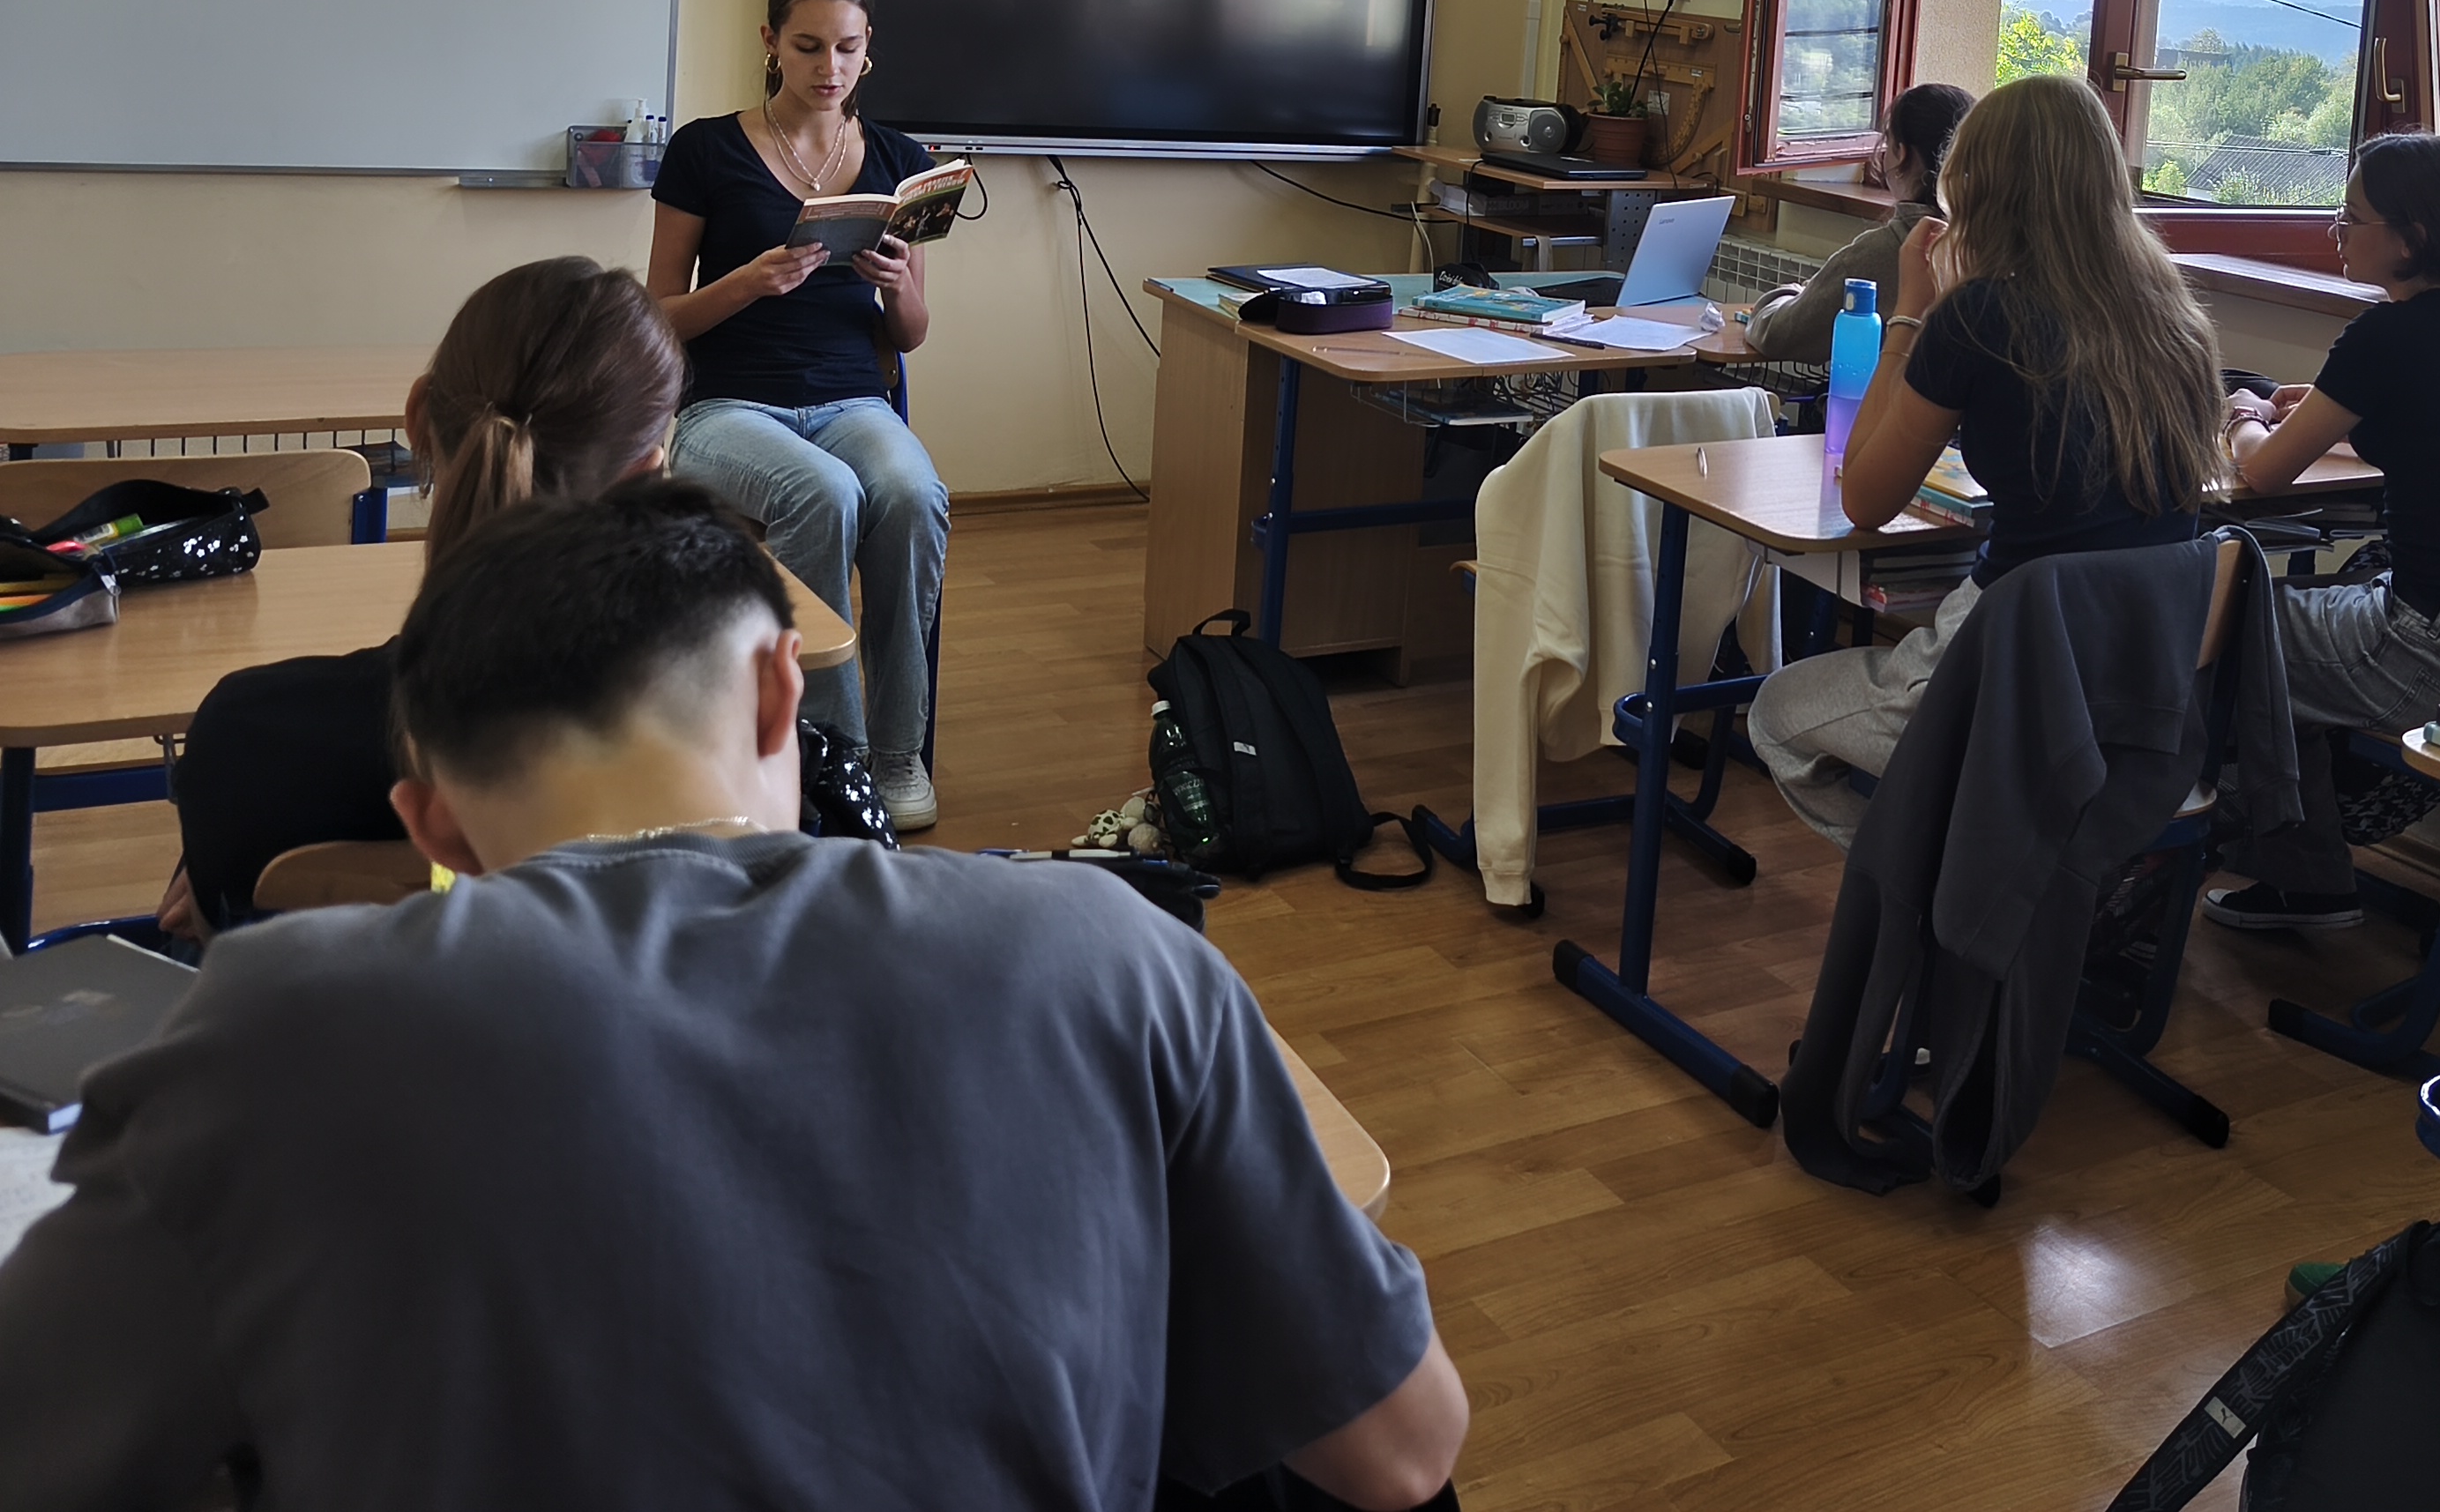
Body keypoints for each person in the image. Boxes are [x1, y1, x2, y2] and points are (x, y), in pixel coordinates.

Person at [0, 485, 1466, 1512]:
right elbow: (1405, 1451)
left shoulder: (272, 1031)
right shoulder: (1111, 950)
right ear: (782, 697)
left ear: (432, 826)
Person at [1747, 70, 2225, 851]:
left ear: (1975, 186)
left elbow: (1863, 496)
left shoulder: (1980, 315)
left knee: (1776, 716)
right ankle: (1992, 873)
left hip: (2012, 673)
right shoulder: (2175, 317)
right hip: (2142, 692)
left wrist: (1911, 312)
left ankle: (1923, 890)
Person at [160, 255, 684, 935]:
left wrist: (216, 840)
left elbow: (215, 939)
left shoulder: (247, 735)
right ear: (647, 476)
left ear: (417, 417)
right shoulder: (711, 751)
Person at [2197, 133, 2440, 932]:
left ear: (2410, 238)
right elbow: (2432, 425)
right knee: (2272, 619)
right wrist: (2326, 406)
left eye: (2351, 216)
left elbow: (2264, 473)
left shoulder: (2387, 335)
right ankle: (2305, 877)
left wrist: (2242, 414)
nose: (2336, 230)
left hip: (2428, 650)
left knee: (2216, 622)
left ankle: (2230, 858)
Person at [650, 0, 953, 830]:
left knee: (912, 492)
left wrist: (895, 284)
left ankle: (898, 754)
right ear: (771, 43)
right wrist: (747, 283)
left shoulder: (900, 160)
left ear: (868, 49)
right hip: (726, 408)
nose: (830, 68)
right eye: (809, 46)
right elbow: (655, 316)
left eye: (847, 48)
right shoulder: (705, 148)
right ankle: (833, 756)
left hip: (854, 402)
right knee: (823, 492)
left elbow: (912, 332)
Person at [1742, 81, 1974, 363]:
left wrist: (1792, 292)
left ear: (1901, 152)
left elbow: (1776, 335)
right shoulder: (1984, 244)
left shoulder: (1889, 251)